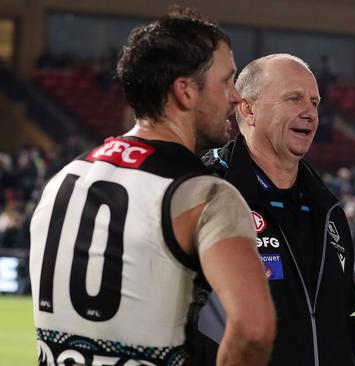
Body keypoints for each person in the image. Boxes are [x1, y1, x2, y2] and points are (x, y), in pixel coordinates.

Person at [29, 8, 275, 366]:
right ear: (185, 92)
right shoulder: (204, 195)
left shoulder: (63, 179)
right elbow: (254, 330)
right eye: (227, 81)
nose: (236, 97)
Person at [194, 53, 355, 366]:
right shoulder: (204, 189)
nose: (310, 113)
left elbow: (344, 314)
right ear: (248, 109)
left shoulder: (327, 207)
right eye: (294, 99)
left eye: (315, 103)